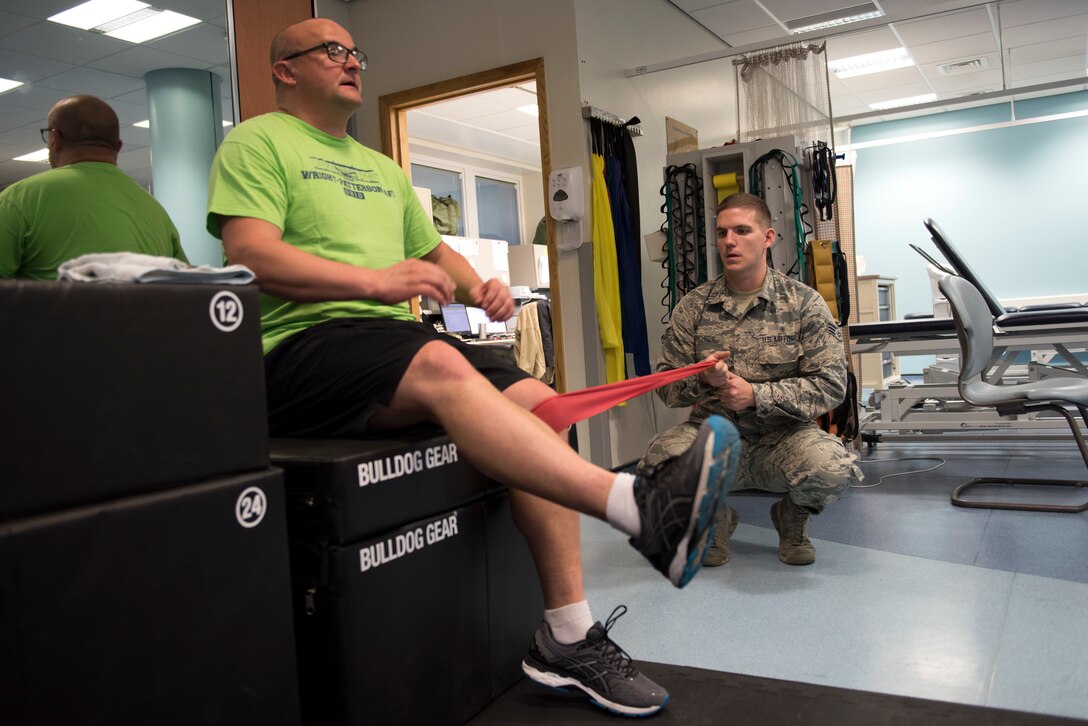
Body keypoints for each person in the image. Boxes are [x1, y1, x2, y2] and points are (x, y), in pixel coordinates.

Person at [205, 18, 739, 717]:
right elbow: (251, 256)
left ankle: (568, 634)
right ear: (285, 69)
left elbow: (434, 254)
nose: (352, 61)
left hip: (378, 343)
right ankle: (636, 506)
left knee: (544, 405)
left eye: (356, 51)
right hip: (297, 348)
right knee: (436, 361)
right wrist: (373, 283)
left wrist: (476, 284)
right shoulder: (257, 142)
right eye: (333, 51)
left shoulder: (379, 169)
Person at [640, 192, 859, 567]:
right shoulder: (693, 307)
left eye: (742, 231)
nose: (730, 241)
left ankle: (791, 517)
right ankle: (716, 521)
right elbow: (666, 388)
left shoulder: (803, 303)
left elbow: (831, 384)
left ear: (768, 237)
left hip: (784, 438)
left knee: (833, 467)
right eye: (722, 232)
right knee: (657, 463)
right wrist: (703, 380)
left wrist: (758, 395)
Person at [0, 95, 186, 279]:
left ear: (55, 138)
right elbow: (186, 283)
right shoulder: (156, 210)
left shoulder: (18, 200)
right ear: (118, 146)